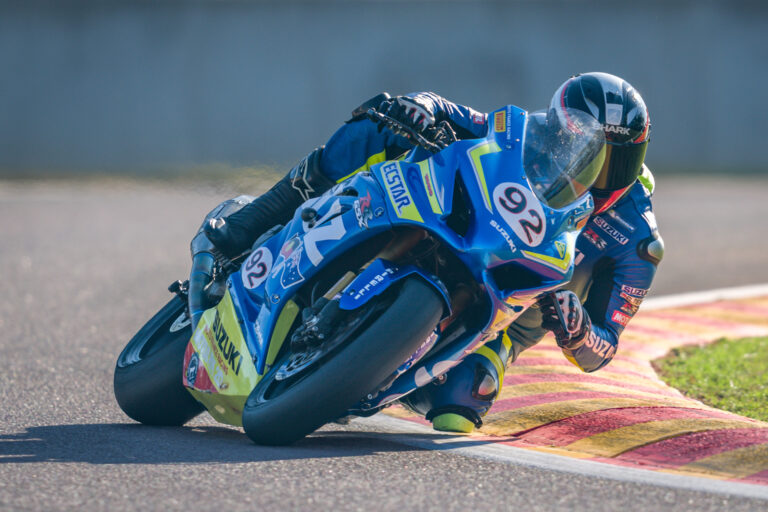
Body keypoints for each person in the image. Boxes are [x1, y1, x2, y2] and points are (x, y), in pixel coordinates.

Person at [203, 72, 664, 433]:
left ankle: (362, 369)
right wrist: (420, 107)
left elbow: (602, 348)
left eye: (615, 162)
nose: (596, 171)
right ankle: (261, 217)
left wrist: (579, 331)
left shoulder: (636, 239)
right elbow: (462, 116)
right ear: (559, 125)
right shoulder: (529, 139)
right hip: (461, 230)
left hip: (505, 321)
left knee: (459, 407)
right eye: (583, 146)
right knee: (381, 127)